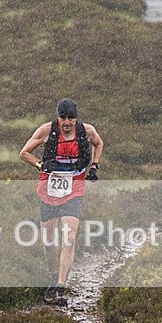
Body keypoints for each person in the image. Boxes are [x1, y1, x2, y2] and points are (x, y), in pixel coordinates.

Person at [19, 98, 104, 306]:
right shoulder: (47, 131)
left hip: (74, 190)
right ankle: (52, 274)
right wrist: (41, 165)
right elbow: (23, 153)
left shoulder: (87, 131)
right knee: (49, 241)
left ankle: (60, 285)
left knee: (69, 237)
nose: (67, 122)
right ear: (58, 117)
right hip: (48, 190)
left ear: (76, 118)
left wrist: (94, 167)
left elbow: (99, 144)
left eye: (71, 118)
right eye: (63, 118)